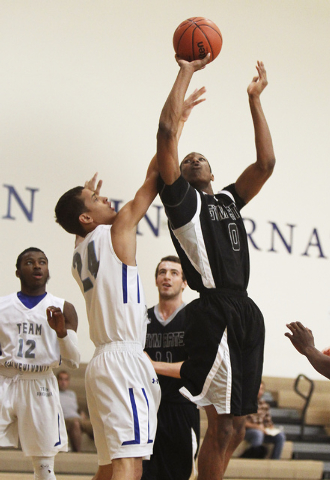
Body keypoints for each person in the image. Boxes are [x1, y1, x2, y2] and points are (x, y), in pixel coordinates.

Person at [54, 81, 205, 480]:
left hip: (101, 363)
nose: (107, 200)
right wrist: (177, 124)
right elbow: (155, 176)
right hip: (123, 360)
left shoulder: (78, 251)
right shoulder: (117, 229)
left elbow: (77, 224)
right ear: (87, 219)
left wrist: (83, 202)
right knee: (129, 466)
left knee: (110, 465)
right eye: (96, 201)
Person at [156, 54, 276, 480]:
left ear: (212, 171)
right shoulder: (183, 205)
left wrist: (254, 99)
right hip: (215, 311)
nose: (192, 159)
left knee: (240, 426)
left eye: (199, 157)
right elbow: (168, 133)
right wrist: (186, 70)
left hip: (245, 309)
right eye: (186, 159)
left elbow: (265, 165)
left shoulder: (227, 199)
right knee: (221, 424)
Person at [0, 247, 80, 480]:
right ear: (17, 272)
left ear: (47, 270)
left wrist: (62, 333)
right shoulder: (2, 307)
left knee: (44, 467)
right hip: (4, 380)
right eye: (30, 262)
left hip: (40, 383)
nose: (37, 266)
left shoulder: (64, 307)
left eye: (42, 262)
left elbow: (73, 361)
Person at [142, 255, 200, 480]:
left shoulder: (194, 318)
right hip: (147, 409)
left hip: (181, 408)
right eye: (162, 272)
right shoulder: (141, 318)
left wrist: (153, 365)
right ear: (156, 280)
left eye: (174, 273)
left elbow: (196, 367)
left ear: (184, 283)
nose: (167, 277)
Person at [243, 381, 285, 459]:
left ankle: (275, 461)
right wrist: (257, 427)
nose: (259, 391)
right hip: (247, 431)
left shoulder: (264, 405)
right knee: (257, 433)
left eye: (261, 389)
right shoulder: (245, 403)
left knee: (280, 436)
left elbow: (268, 422)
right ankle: (255, 459)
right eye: (258, 389)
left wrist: (271, 428)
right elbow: (241, 423)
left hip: (263, 431)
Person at [57, 370, 94, 452]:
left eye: (66, 380)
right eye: (61, 379)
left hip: (78, 418)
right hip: (66, 420)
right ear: (57, 381)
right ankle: (78, 453)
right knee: (75, 423)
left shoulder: (72, 394)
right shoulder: (54, 393)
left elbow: (75, 407)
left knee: (96, 424)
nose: (63, 382)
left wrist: (81, 412)